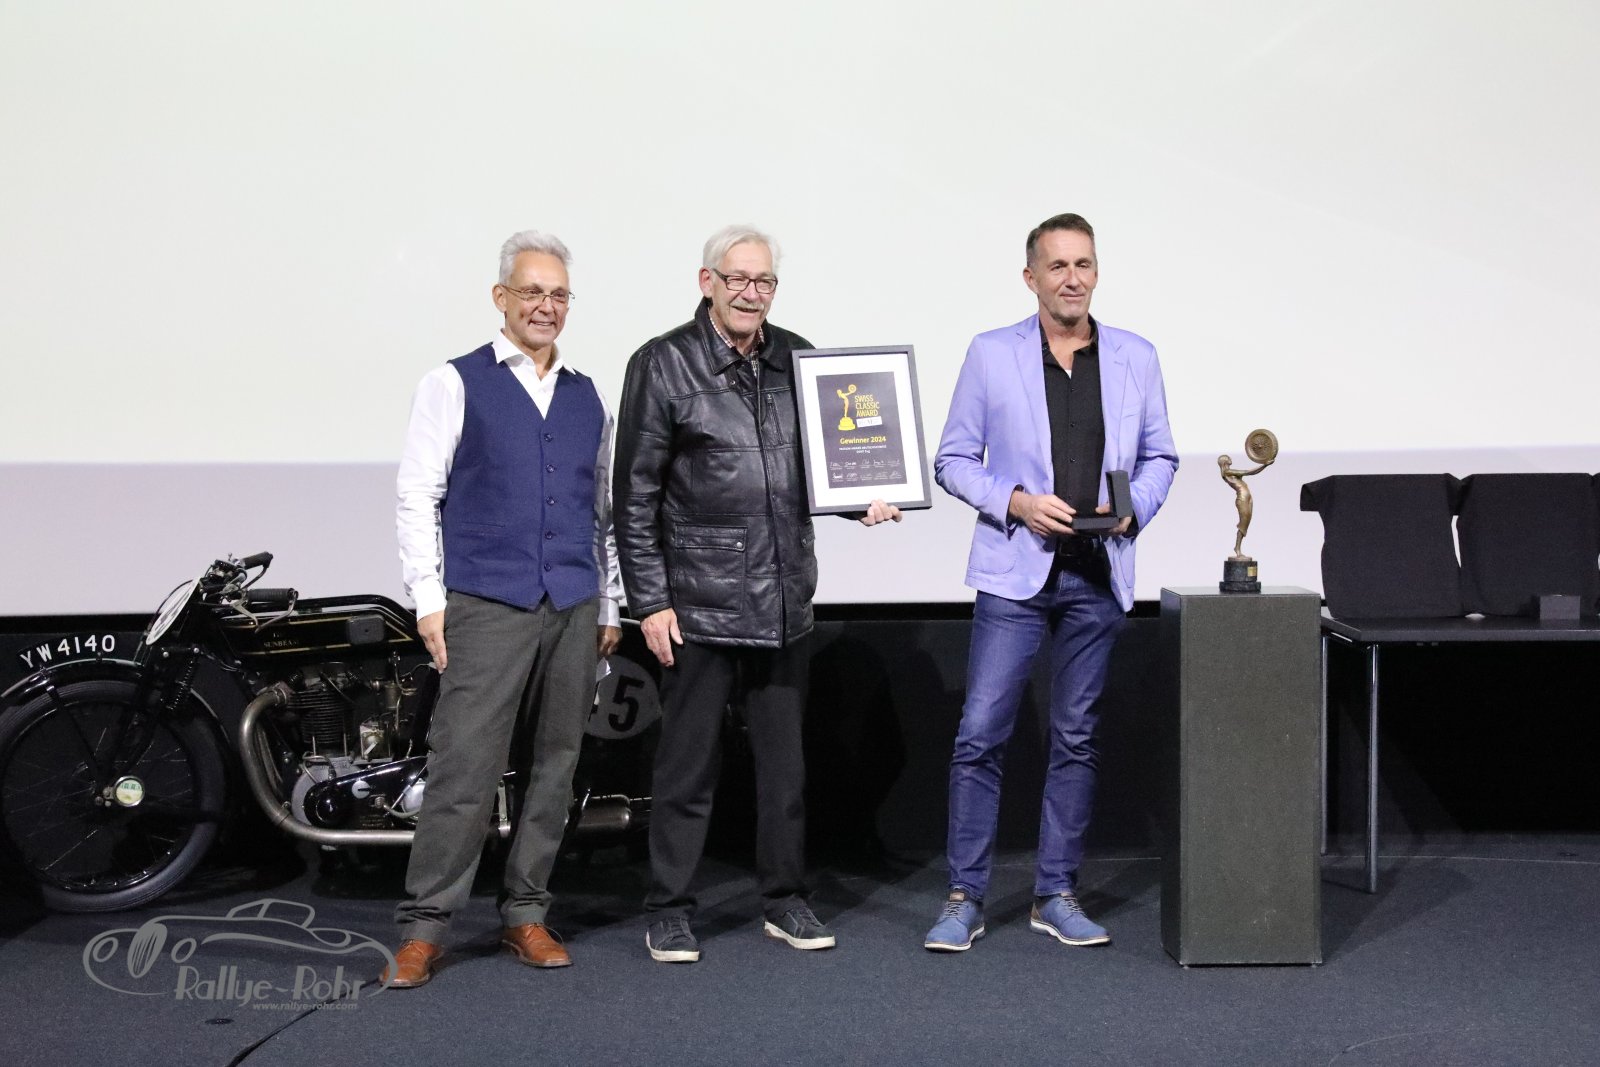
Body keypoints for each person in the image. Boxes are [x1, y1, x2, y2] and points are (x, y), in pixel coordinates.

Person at [613, 224, 900, 964]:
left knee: (785, 771)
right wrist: (649, 601)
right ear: (706, 282)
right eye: (737, 278)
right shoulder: (662, 362)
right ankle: (669, 908)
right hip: (697, 603)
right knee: (686, 770)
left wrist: (861, 498)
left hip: (782, 601)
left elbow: (821, 466)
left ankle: (784, 899)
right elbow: (634, 496)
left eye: (764, 280)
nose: (751, 293)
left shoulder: (797, 356)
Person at [926, 213, 1177, 952]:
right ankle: (964, 897)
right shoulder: (991, 353)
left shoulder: (1135, 356)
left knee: (1076, 737)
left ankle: (1055, 892)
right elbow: (953, 459)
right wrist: (1017, 502)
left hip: (1097, 575)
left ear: (1097, 272)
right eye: (1058, 265)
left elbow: (1161, 456)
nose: (1073, 278)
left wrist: (1134, 510)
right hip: (1015, 575)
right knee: (980, 734)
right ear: (1030, 277)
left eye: (1084, 264)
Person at [386, 230, 623, 986]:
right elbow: (417, 495)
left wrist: (610, 599)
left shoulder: (588, 394)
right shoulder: (453, 382)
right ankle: (426, 926)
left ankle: (525, 912)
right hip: (486, 601)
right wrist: (428, 600)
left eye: (558, 295)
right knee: (465, 764)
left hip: (574, 601)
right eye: (531, 292)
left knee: (556, 766)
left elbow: (601, 511)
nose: (545, 306)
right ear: (501, 298)